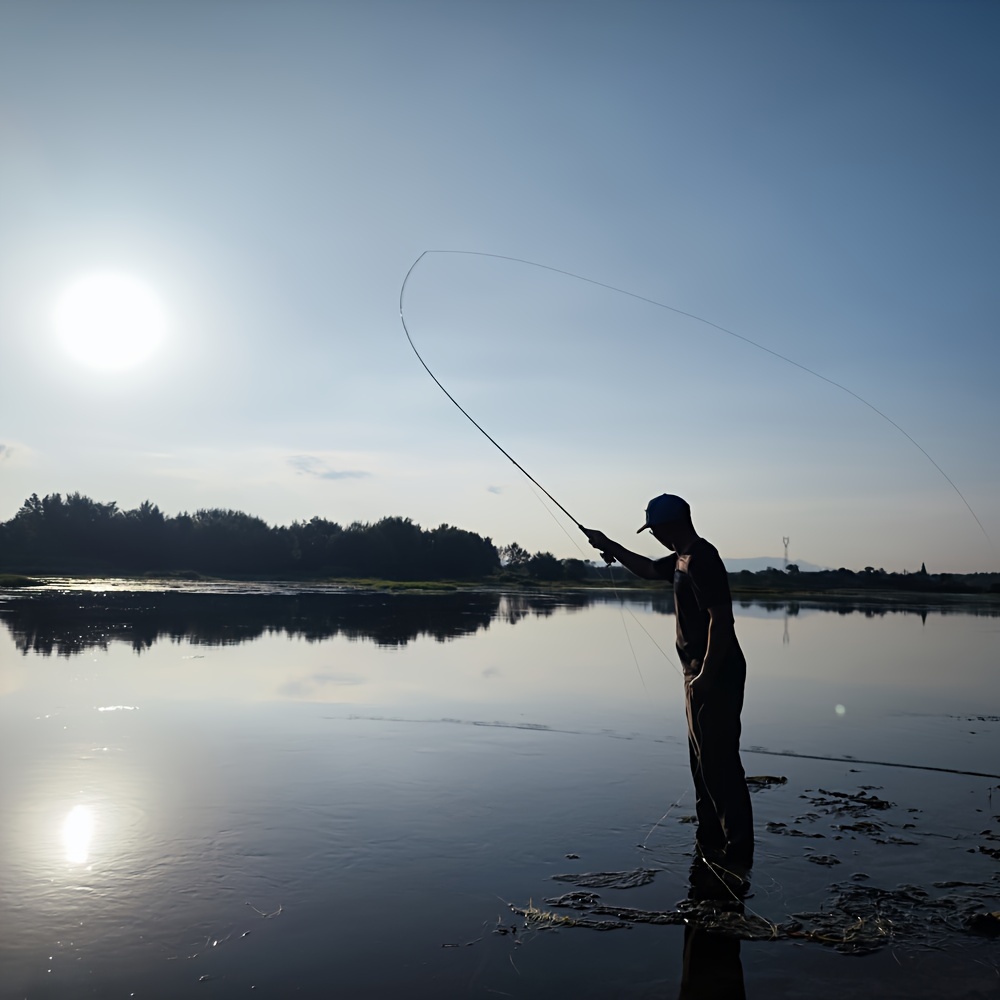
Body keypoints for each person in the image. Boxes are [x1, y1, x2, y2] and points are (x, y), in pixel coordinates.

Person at [583, 494, 754, 884]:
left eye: (655, 529)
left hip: (715, 675)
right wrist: (608, 545)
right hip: (696, 674)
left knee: (720, 764)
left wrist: (707, 674)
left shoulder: (702, 558)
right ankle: (709, 843)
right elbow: (645, 568)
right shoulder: (681, 559)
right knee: (702, 763)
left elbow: (721, 621)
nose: (654, 536)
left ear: (671, 525)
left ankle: (737, 854)